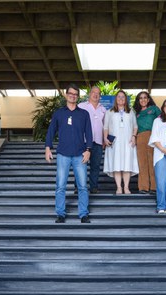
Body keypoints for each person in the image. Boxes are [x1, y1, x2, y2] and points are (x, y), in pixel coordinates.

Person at [45, 84, 93, 224]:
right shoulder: (59, 113)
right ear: (66, 95)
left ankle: (83, 214)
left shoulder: (84, 114)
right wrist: (48, 148)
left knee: (83, 186)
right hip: (63, 154)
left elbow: (89, 133)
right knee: (60, 186)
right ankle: (60, 214)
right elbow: (51, 131)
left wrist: (88, 150)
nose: (73, 96)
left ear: (78, 97)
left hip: (80, 154)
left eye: (75, 94)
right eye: (70, 93)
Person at [103, 90, 139, 194]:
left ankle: (126, 187)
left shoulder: (131, 111)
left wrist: (133, 136)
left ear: (126, 99)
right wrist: (105, 138)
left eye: (123, 97)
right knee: (117, 164)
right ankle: (119, 187)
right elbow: (105, 127)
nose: (121, 99)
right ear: (116, 99)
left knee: (127, 164)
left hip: (128, 142)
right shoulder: (109, 112)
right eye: (119, 97)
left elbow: (135, 126)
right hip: (115, 142)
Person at [77, 86, 107, 194]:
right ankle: (78, 187)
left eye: (98, 93)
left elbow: (105, 126)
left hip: (98, 142)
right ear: (89, 94)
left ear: (100, 96)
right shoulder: (81, 106)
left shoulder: (103, 109)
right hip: (83, 141)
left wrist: (104, 139)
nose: (95, 94)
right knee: (81, 165)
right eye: (93, 92)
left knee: (95, 166)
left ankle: (93, 187)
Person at [133, 91, 161, 194]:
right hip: (140, 137)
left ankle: (154, 187)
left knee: (152, 161)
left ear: (148, 99)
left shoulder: (154, 109)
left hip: (152, 136)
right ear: (138, 100)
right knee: (142, 162)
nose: (143, 100)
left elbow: (162, 121)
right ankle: (143, 187)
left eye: (145, 97)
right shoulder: (137, 113)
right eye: (140, 98)